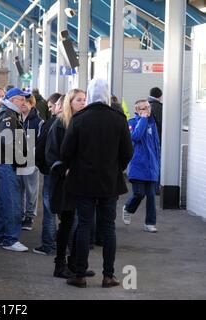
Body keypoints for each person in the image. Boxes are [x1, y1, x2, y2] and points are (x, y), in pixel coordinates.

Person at [61, 78, 134, 288]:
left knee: (84, 224)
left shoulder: (80, 119)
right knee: (109, 227)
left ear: (91, 95)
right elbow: (128, 152)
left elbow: (66, 151)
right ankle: (108, 275)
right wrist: (115, 168)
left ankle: (80, 274)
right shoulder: (118, 119)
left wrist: (71, 166)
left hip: (83, 181)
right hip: (109, 182)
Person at [46, 90, 89, 277]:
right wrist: (64, 170)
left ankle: (75, 264)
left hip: (80, 181)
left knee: (78, 224)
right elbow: (50, 154)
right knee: (67, 224)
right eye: (79, 100)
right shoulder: (59, 124)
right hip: (64, 183)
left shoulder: (82, 122)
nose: (83, 103)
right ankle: (60, 265)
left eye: (85, 100)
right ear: (69, 102)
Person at [0, 88, 29, 252]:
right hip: (7, 163)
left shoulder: (8, 113)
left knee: (4, 201)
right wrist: (20, 159)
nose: (23, 103)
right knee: (12, 202)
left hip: (4, 162)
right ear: (12, 100)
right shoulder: (8, 115)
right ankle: (10, 239)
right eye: (21, 100)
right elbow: (9, 140)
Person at [122, 100, 160, 233]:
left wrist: (157, 161)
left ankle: (150, 223)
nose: (147, 110)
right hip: (138, 165)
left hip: (151, 166)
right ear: (137, 111)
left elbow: (156, 144)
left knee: (151, 195)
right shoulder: (132, 123)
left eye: (148, 107)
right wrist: (143, 119)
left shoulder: (152, 123)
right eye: (144, 108)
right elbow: (136, 137)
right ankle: (128, 208)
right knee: (139, 193)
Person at [33, 92, 63, 255]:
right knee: (68, 211)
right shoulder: (75, 123)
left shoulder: (52, 123)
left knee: (50, 209)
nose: (51, 110)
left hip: (52, 171)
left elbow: (41, 147)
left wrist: (41, 165)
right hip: (67, 172)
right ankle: (69, 245)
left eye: (52, 107)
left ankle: (48, 244)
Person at [18, 95, 44, 232]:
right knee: (19, 187)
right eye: (21, 101)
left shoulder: (39, 122)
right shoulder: (15, 118)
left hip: (31, 159)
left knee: (31, 189)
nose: (23, 104)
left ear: (32, 104)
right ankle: (20, 214)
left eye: (26, 102)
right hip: (17, 158)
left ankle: (29, 216)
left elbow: (40, 142)